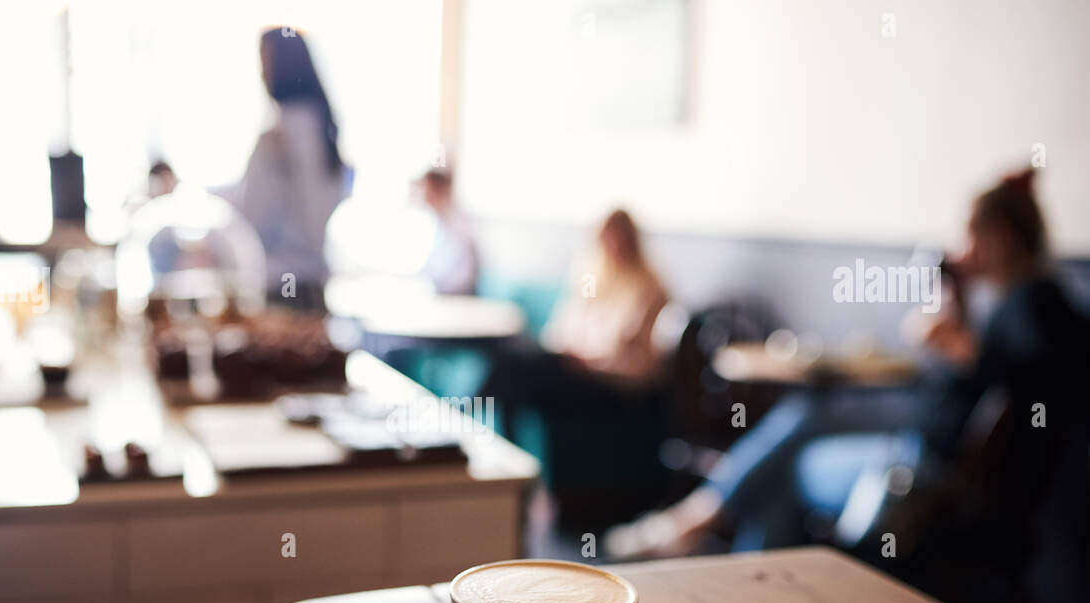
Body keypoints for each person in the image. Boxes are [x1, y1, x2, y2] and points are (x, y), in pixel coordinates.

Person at [606, 169, 1090, 570]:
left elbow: (1026, 379)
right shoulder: (1025, 300)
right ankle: (712, 543)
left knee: (790, 467)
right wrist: (957, 316)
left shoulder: (1033, 304)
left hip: (930, 471)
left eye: (967, 233)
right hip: (924, 447)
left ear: (997, 238)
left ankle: (716, 552)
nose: (957, 246)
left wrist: (959, 345)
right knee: (807, 417)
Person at [481, 209, 670, 444]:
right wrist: (570, 351)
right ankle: (499, 441)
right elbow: (562, 327)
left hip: (611, 383)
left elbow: (634, 356)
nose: (613, 245)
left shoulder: (646, 286)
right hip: (574, 365)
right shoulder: (593, 276)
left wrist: (591, 362)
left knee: (514, 372)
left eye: (619, 237)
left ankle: (472, 417)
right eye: (607, 237)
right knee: (512, 364)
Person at [227, 28, 348, 312]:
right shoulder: (324, 130)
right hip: (315, 286)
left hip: (280, 289)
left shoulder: (276, 137)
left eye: (263, 62)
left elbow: (254, 218)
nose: (261, 74)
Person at [416, 166, 479, 295]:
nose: (422, 193)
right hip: (443, 289)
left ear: (438, 189)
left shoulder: (457, 223)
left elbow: (461, 274)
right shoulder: (437, 220)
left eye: (426, 187)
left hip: (457, 293)